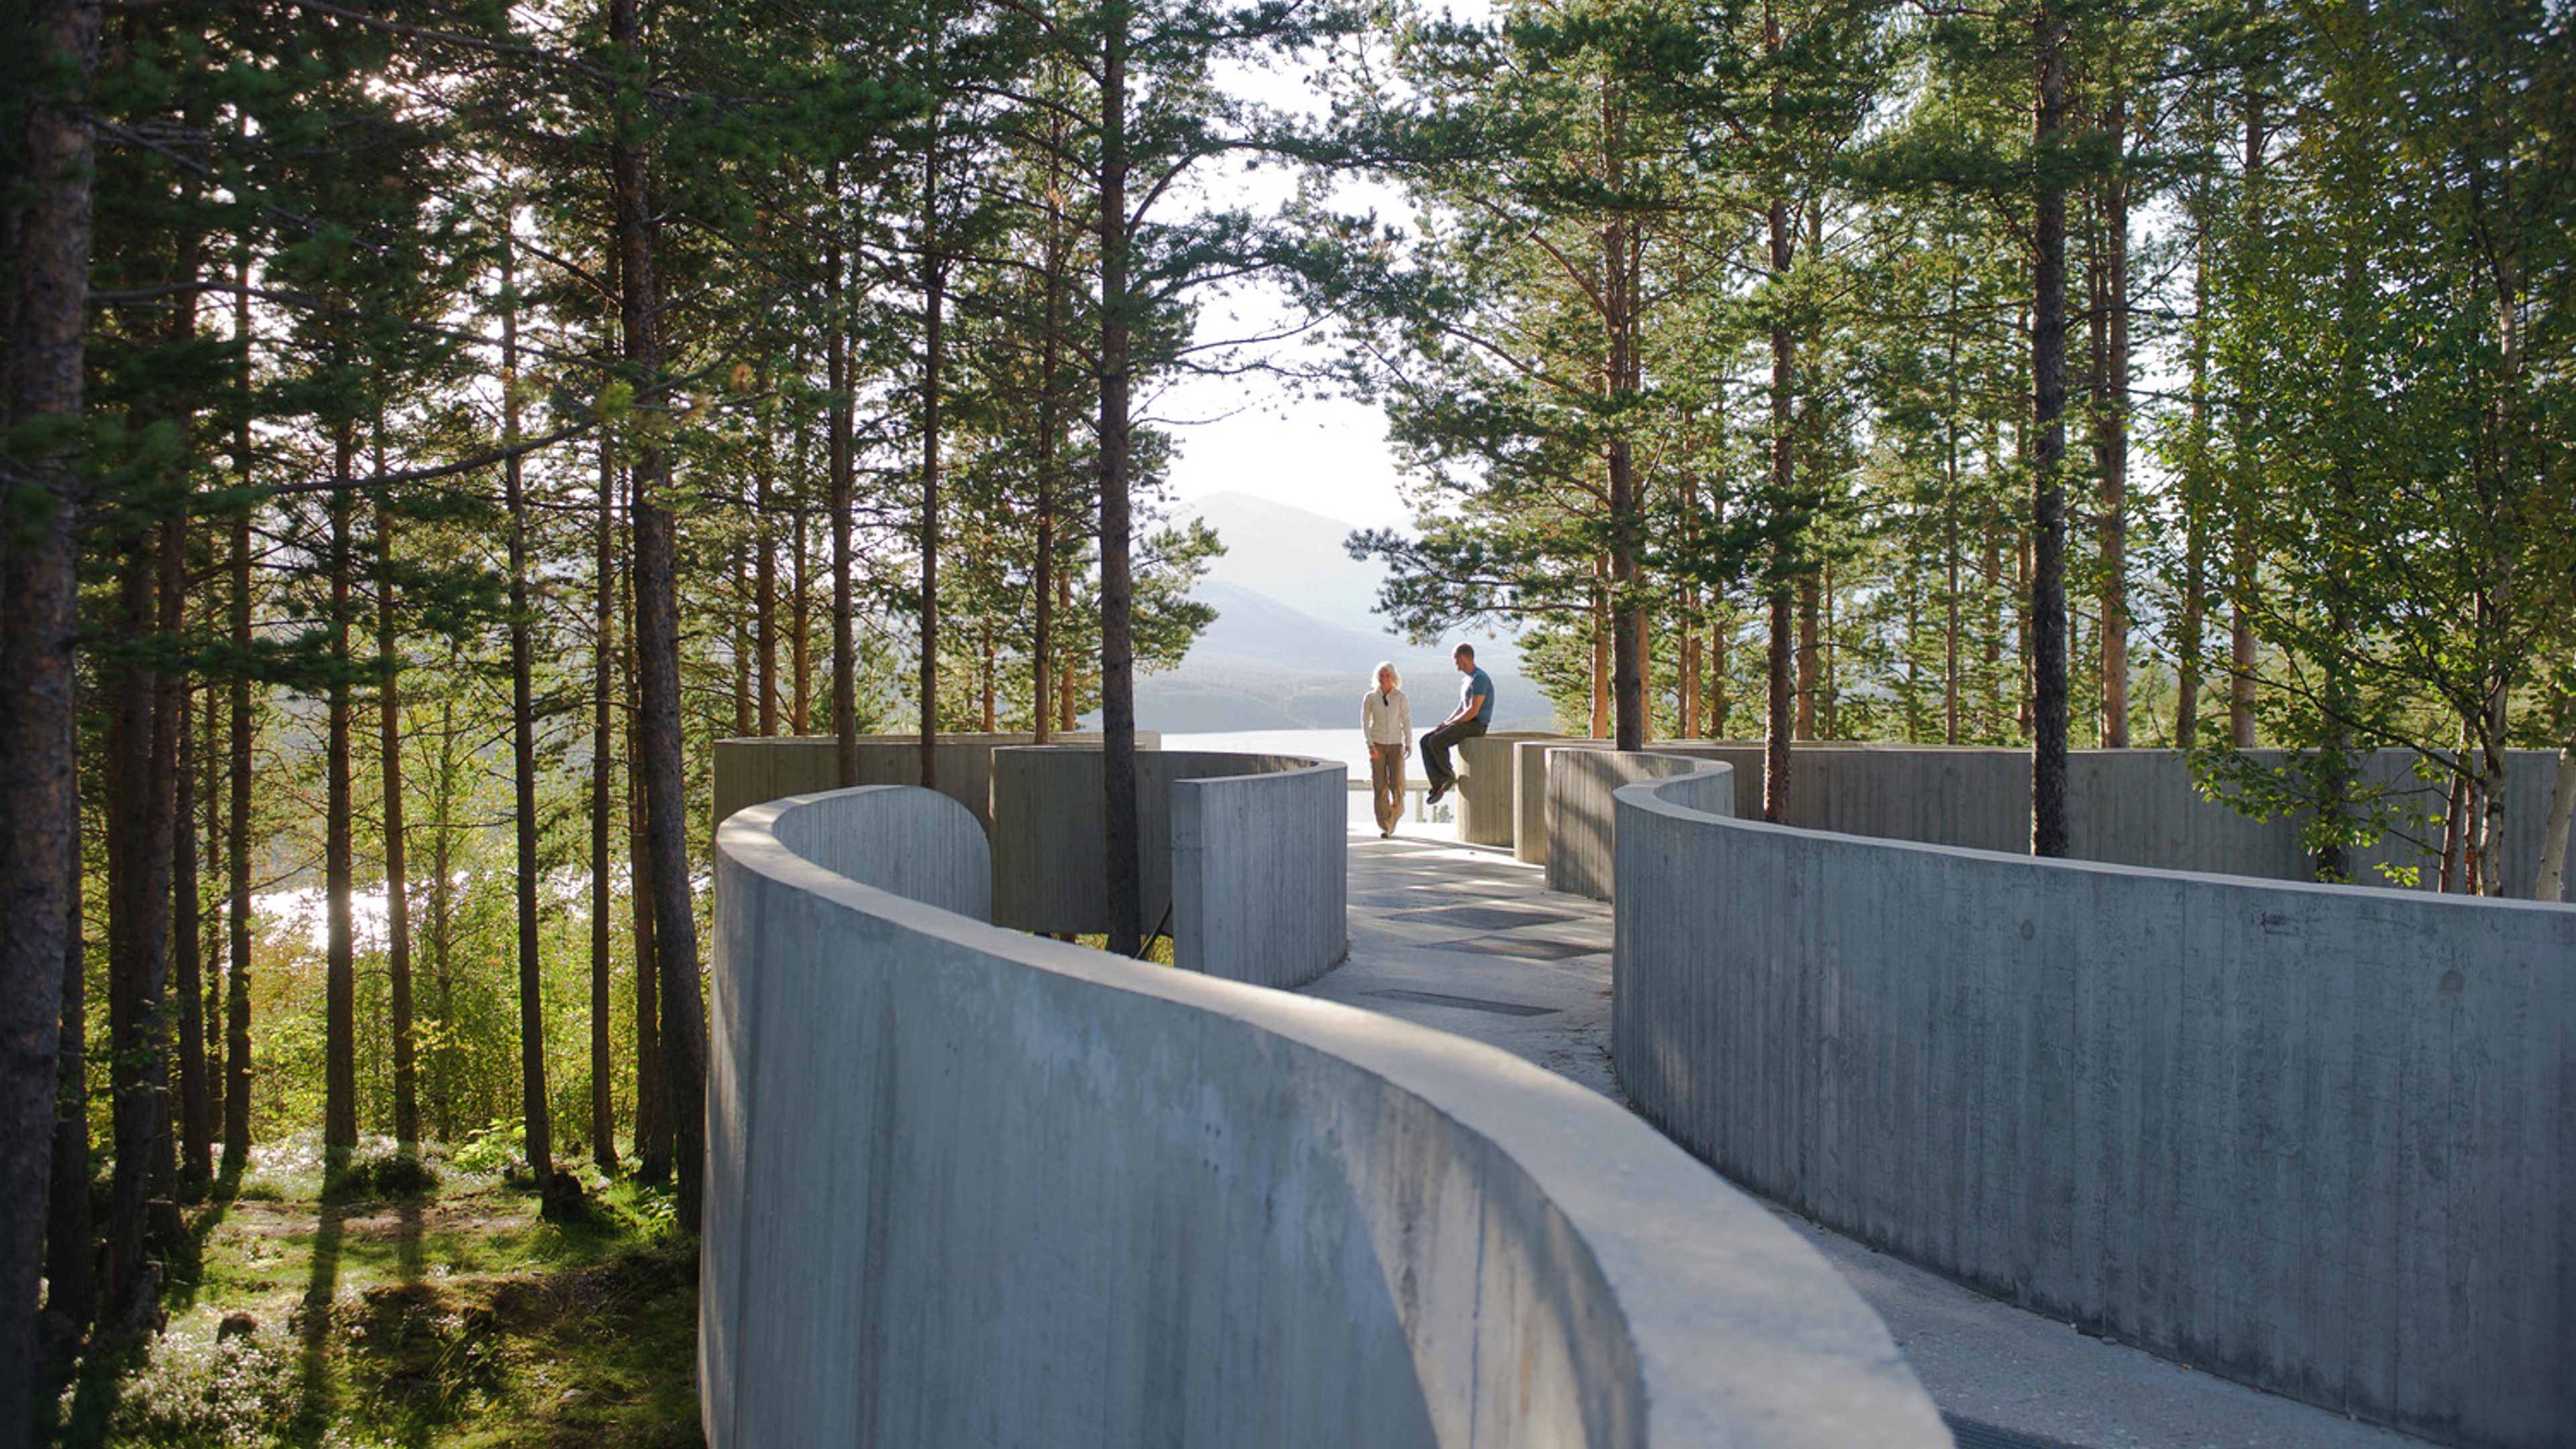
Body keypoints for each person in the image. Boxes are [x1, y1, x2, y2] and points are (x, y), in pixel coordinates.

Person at [1420, 643, 1493, 806]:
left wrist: (1452, 724)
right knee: (1426, 741)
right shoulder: (1467, 680)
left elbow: (1473, 711)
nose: (1456, 664)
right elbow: (1461, 707)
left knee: (1436, 741)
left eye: (1456, 660)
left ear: (1462, 658)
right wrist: (1446, 723)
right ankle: (1438, 783)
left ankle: (1448, 776)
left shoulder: (1480, 678)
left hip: (1476, 725)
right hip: (1466, 721)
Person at [1360, 662, 1413, 839]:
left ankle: (1396, 812)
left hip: (1396, 745)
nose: (1384, 678)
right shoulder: (1371, 698)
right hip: (1378, 744)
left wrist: (1408, 743)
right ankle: (1385, 825)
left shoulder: (1400, 697)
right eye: (1381, 675)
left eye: (1387, 675)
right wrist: (1370, 745)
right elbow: (1365, 723)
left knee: (1397, 785)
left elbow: (1406, 721)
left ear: (1393, 677)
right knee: (1380, 786)